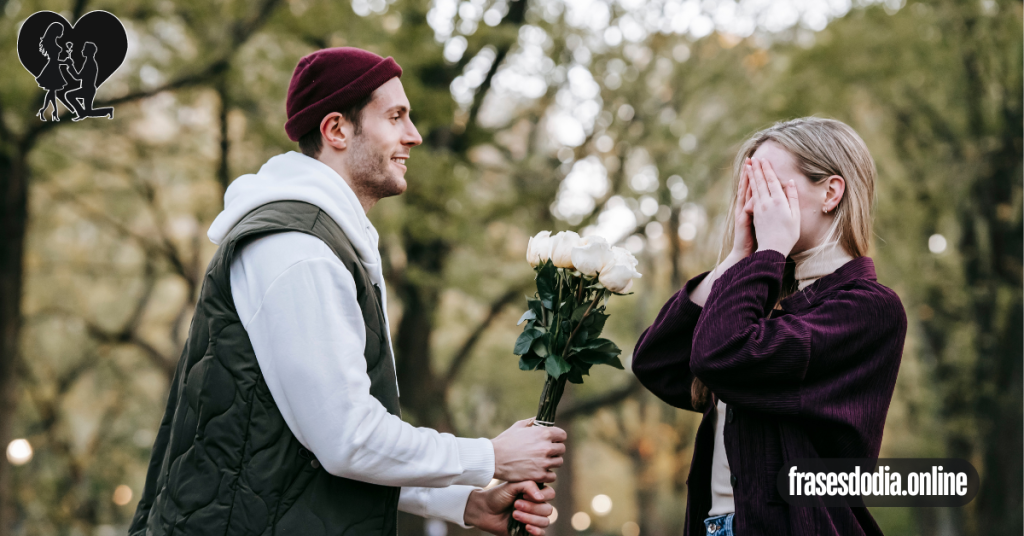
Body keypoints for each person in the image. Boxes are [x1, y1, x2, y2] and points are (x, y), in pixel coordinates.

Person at [130, 47, 561, 536]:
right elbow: (347, 438)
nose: (413, 136)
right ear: (336, 130)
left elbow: (314, 448)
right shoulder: (299, 248)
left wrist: (464, 504)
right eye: (395, 116)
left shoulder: (324, 240)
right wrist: (490, 456)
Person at [632, 117, 907, 536]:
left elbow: (722, 354)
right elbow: (658, 363)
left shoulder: (868, 310)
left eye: (769, 188)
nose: (755, 206)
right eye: (749, 190)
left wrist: (770, 250)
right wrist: (735, 259)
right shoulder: (765, 300)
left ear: (831, 192)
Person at [61, 42, 114, 120]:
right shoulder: (88, 62)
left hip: (87, 89)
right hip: (89, 89)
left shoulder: (90, 63)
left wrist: (70, 66)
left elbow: (77, 77)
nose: (82, 51)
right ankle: (108, 110)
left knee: (69, 95)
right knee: (88, 112)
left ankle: (82, 113)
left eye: (84, 49)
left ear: (89, 51)